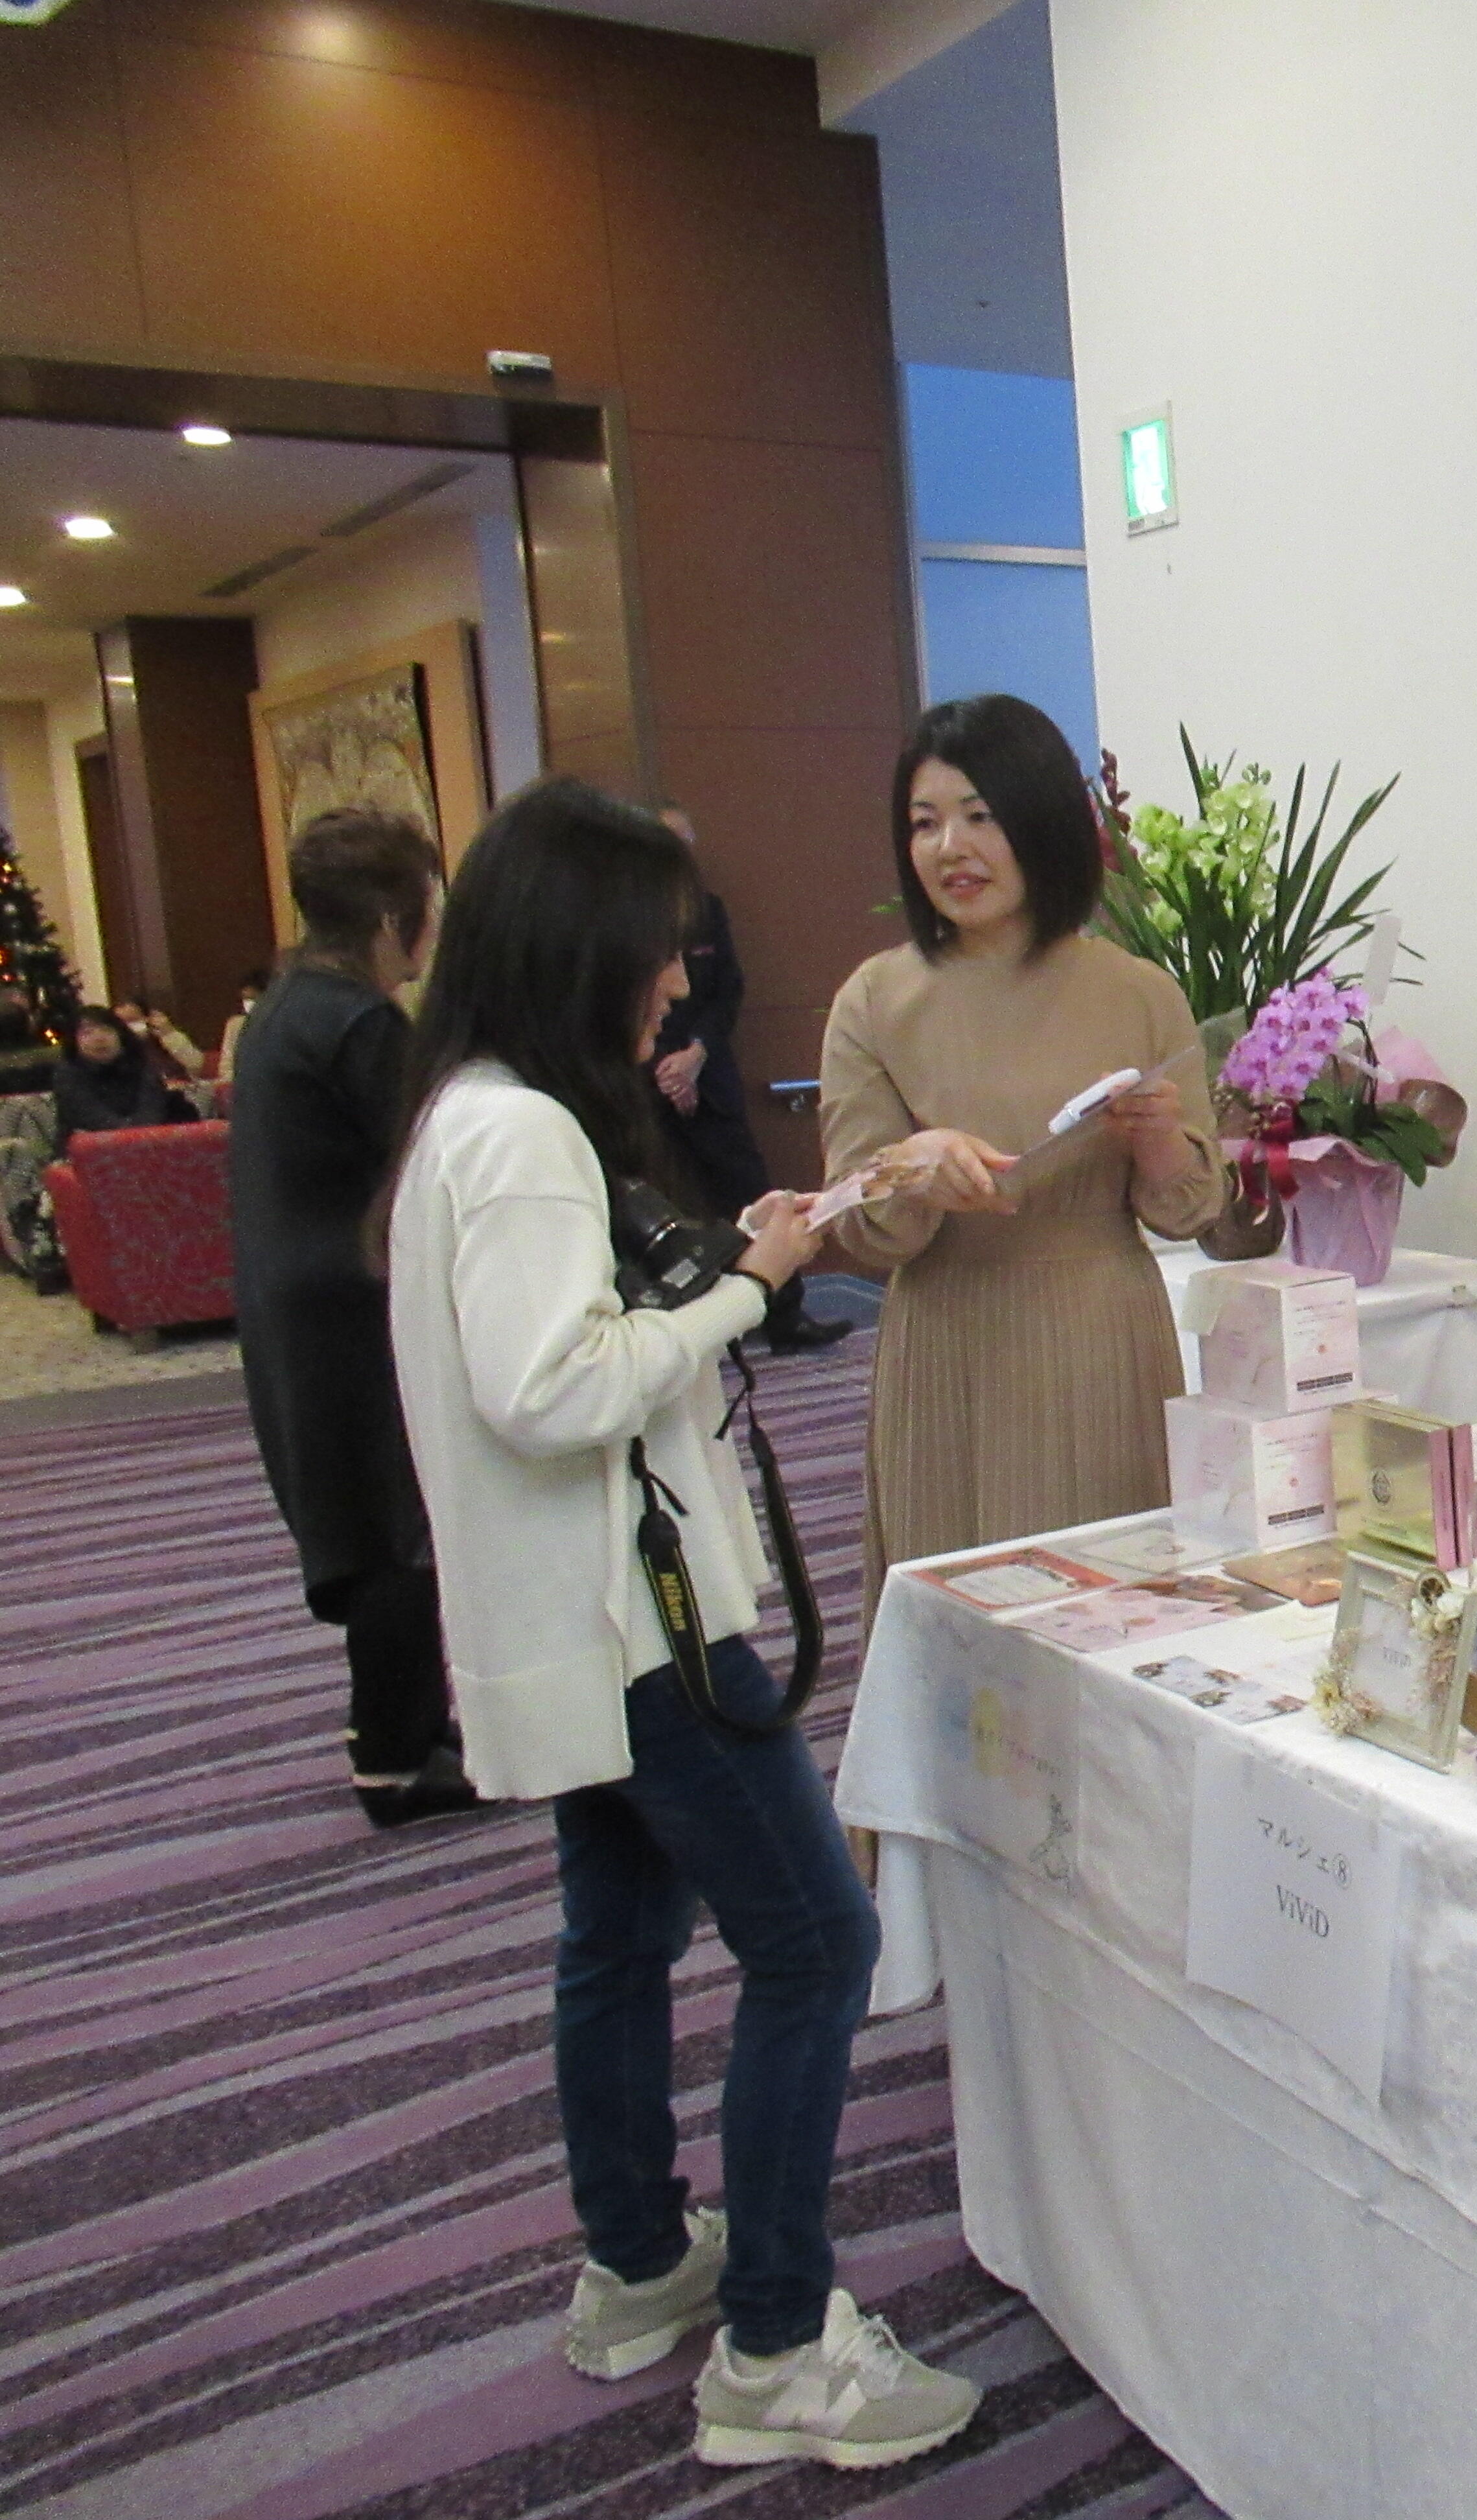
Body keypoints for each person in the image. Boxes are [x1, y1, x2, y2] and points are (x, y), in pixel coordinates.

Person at [384, 777, 977, 2469]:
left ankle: (641, 2262)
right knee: (819, 1947)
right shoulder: (522, 1137)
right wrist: (746, 1292)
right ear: (578, 945)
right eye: (659, 949)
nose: (674, 980)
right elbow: (554, 1388)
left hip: (578, 1621)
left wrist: (732, 1255)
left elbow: (557, 1342)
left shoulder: (473, 1113)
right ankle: (778, 2344)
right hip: (635, 1626)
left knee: (622, 1932)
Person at [817, 694, 1225, 1605]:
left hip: (1100, 1334)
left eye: (980, 817)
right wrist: (915, 1167)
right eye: (924, 823)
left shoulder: (1141, 992)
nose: (949, 848)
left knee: (1113, 1609)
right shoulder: (875, 1000)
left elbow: (1191, 1210)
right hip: (948, 1338)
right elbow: (856, 1218)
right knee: (962, 1608)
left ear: (1041, 822)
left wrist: (1161, 1141)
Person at [235, 810, 477, 1828]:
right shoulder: (358, 1025)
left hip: (296, 1300)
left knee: (367, 1516)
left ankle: (409, 1725)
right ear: (390, 918)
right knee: (392, 1529)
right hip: (349, 1308)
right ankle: (393, 1756)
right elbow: (435, 1155)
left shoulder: (287, 1006)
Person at [645, 809, 848, 1356]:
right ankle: (688, 1327)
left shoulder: (707, 910)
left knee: (752, 1189)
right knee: (664, 1202)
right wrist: (666, 1068)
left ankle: (785, 1316)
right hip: (648, 1084)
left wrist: (695, 1056)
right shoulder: (625, 915)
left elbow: (726, 990)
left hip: (709, 1076)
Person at [51, 1005, 192, 1149]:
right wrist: (130, 1139)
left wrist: (137, 1140)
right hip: (90, 1149)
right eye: (87, 1033)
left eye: (107, 1030)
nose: (99, 1038)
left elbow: (151, 1110)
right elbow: (93, 1118)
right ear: (75, 1042)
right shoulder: (67, 1074)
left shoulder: (141, 1065)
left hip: (148, 1144)